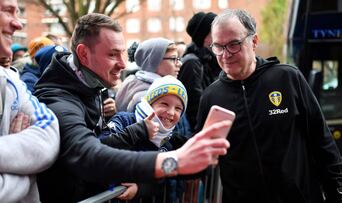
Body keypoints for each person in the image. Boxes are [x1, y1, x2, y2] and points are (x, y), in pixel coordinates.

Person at [33, 13, 230, 203]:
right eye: (112, 54)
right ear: (84, 54)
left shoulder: (92, 84)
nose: (123, 63)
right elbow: (89, 155)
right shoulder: (59, 100)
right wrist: (173, 162)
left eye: (122, 53)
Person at [196, 9, 342, 202]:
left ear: (254, 42)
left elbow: (322, 141)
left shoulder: (287, 78)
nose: (225, 55)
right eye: (218, 46)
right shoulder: (211, 97)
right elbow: (204, 160)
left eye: (234, 44)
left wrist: (336, 194)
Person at [0, 0, 60, 202]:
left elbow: (49, 133)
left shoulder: (10, 80)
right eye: (8, 11)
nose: (18, 24)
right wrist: (26, 170)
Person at [101, 76, 189, 202]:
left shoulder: (167, 142)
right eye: (164, 104)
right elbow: (101, 147)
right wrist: (139, 130)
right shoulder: (124, 120)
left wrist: (140, 189)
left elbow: (160, 180)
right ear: (149, 104)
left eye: (178, 108)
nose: (171, 112)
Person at [178, 11, 222, 131]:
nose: (220, 34)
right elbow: (195, 108)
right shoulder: (192, 63)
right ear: (204, 37)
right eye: (215, 31)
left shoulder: (210, 61)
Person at [115, 37, 181, 113]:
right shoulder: (148, 97)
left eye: (178, 59)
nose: (179, 64)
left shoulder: (133, 82)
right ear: (154, 62)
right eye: (173, 59)